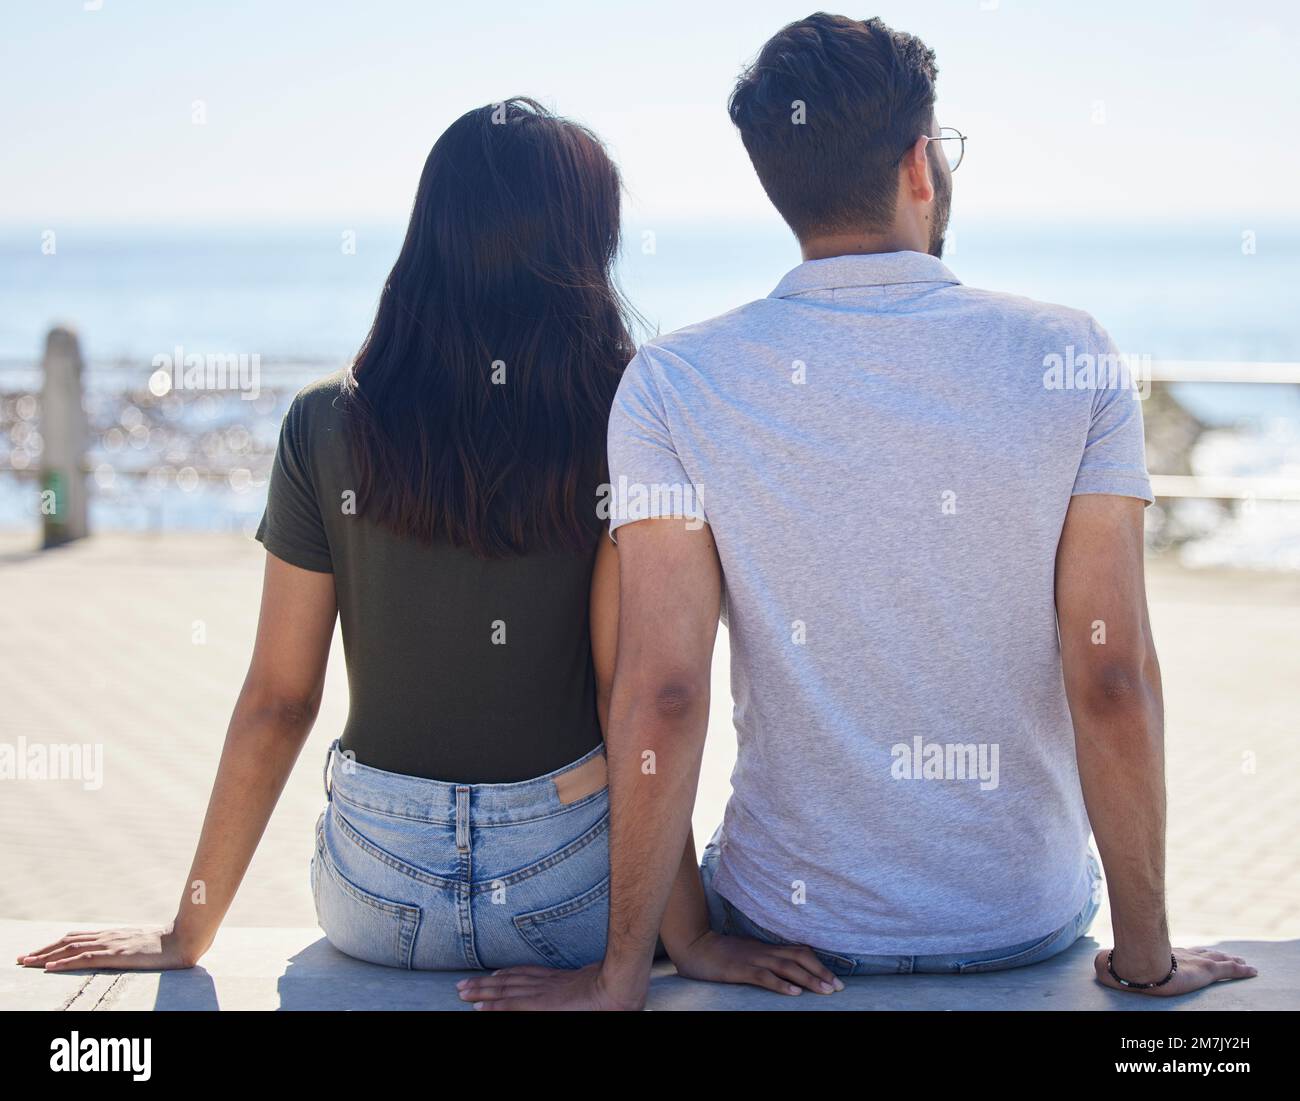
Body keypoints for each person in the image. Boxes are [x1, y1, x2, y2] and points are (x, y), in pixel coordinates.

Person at [460, 15, 1257, 1009]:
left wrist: (625, 972)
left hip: (787, 929)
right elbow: (1110, 673)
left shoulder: (675, 383)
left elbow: (662, 690)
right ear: (921, 165)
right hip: (1019, 922)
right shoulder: (1072, 356)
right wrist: (1146, 957)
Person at [17, 100, 832, 991]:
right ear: (583, 250)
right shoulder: (621, 420)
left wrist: (189, 927)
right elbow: (632, 700)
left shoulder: (326, 424)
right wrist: (690, 935)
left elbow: (278, 699)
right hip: (567, 894)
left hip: (376, 891)